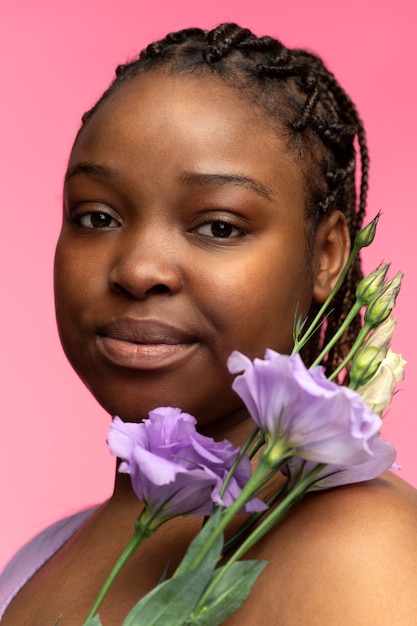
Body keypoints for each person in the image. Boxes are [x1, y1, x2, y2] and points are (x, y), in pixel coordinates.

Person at [1, 22, 417, 625]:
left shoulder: (360, 553)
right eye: (96, 216)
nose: (139, 270)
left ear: (327, 255)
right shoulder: (45, 552)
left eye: (218, 226)